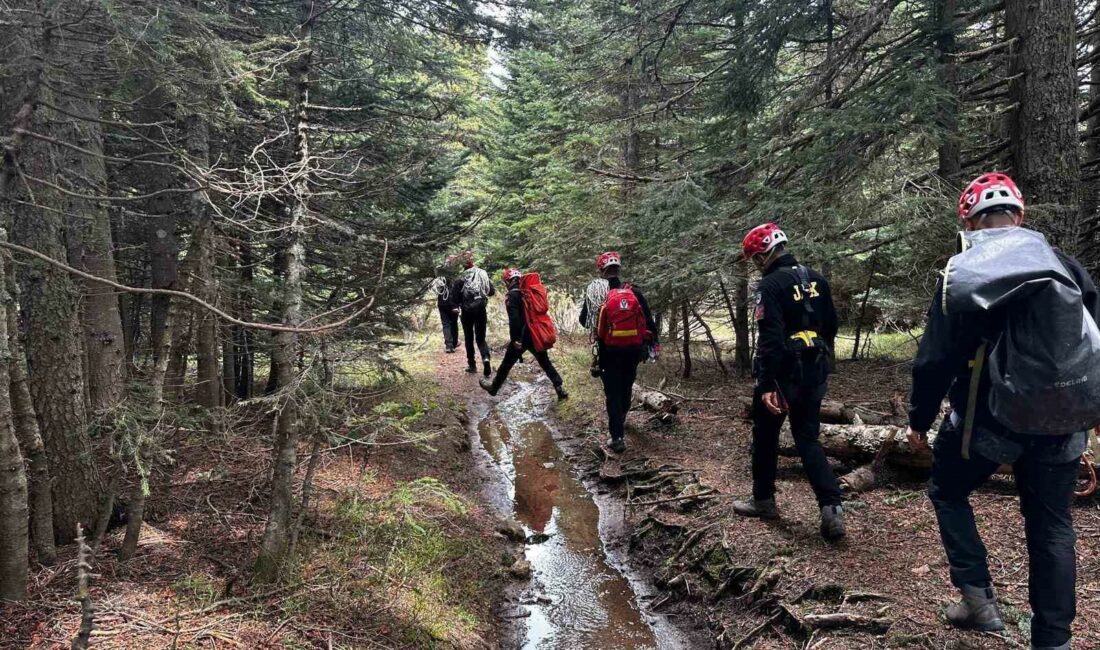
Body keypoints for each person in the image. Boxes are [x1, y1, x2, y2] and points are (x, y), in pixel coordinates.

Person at [907, 173, 1090, 650]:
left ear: (967, 219)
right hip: (1063, 424)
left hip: (987, 422)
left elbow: (934, 359)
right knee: (1052, 525)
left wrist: (918, 421)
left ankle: (976, 598)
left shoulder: (964, 271)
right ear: (1020, 216)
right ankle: (1053, 642)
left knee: (947, 489)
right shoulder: (1065, 265)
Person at [731, 223, 845, 542]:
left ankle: (763, 501)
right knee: (808, 437)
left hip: (783, 374)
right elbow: (832, 326)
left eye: (756, 258)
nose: (756, 263)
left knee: (766, 435)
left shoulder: (771, 285)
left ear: (765, 253)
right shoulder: (818, 279)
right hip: (815, 369)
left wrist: (767, 382)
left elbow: (769, 337)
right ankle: (831, 507)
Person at [579, 252, 658, 454]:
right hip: (633, 349)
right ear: (618, 269)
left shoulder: (597, 292)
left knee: (612, 392)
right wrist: (648, 346)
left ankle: (617, 437)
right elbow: (649, 322)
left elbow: (584, 321)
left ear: (601, 271)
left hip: (608, 350)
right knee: (627, 385)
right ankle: (621, 418)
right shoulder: (633, 291)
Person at [479, 269, 568, 400]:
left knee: (506, 363)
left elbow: (515, 319)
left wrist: (516, 339)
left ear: (508, 281)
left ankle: (494, 388)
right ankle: (560, 388)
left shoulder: (512, 296)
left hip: (522, 336)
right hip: (535, 333)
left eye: (506, 282)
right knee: (545, 362)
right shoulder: (527, 292)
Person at [451, 251, 494, 376]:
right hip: (481, 309)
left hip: (467, 311)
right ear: (473, 261)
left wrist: (456, 306)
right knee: (481, 338)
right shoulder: (482, 273)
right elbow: (491, 291)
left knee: (469, 338)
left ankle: (472, 365)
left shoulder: (461, 277)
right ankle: (486, 358)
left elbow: (455, 295)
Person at [432, 255, 460, 353]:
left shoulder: (440, 272)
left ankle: (449, 345)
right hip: (453, 303)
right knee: (453, 323)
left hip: (442, 302)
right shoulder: (456, 273)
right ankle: (454, 343)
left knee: (446, 324)